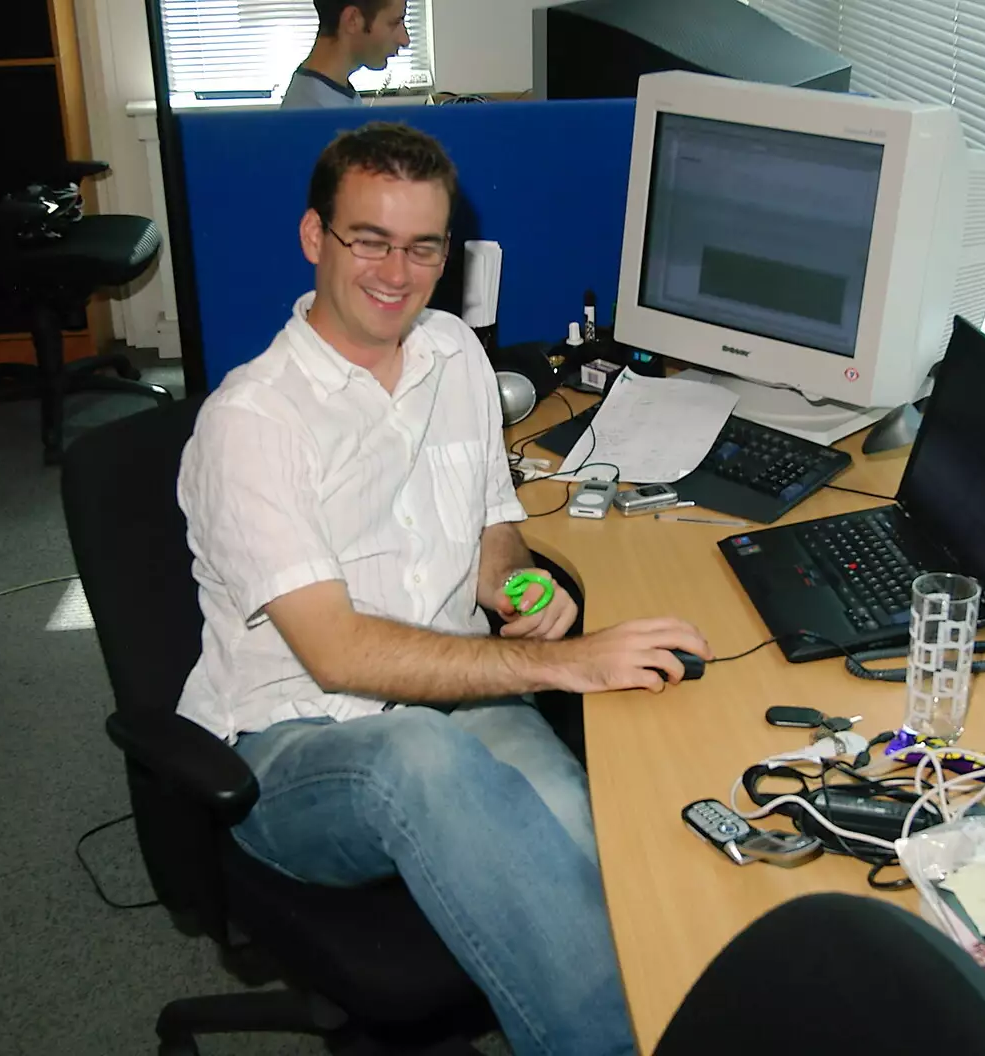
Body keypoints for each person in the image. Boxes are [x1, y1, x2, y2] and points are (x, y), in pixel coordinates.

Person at [175, 121, 712, 1056]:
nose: (397, 270)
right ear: (315, 238)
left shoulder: (456, 355)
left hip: (456, 701)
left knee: (607, 858)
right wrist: (563, 665)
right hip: (295, 746)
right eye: (369, 240)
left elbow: (491, 527)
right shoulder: (252, 424)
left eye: (423, 246)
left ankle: (696, 1019)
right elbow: (338, 653)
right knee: (418, 761)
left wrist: (515, 592)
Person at [280, 0, 410, 109]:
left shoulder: (332, 95)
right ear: (352, 20)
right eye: (395, 22)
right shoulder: (316, 116)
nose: (405, 40)